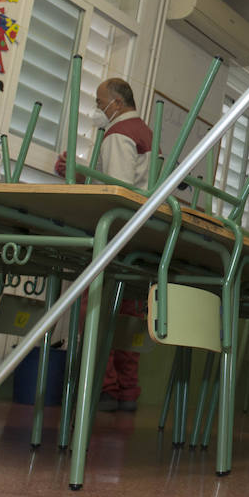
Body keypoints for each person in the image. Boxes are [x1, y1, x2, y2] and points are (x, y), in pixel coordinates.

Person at [56, 77, 154, 412]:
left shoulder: (118, 134)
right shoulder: (144, 132)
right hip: (138, 235)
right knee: (128, 313)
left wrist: (80, 179)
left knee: (93, 307)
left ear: (117, 101)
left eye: (100, 103)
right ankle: (127, 389)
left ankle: (106, 386)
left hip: (115, 232)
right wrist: (86, 176)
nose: (99, 109)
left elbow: (116, 191)